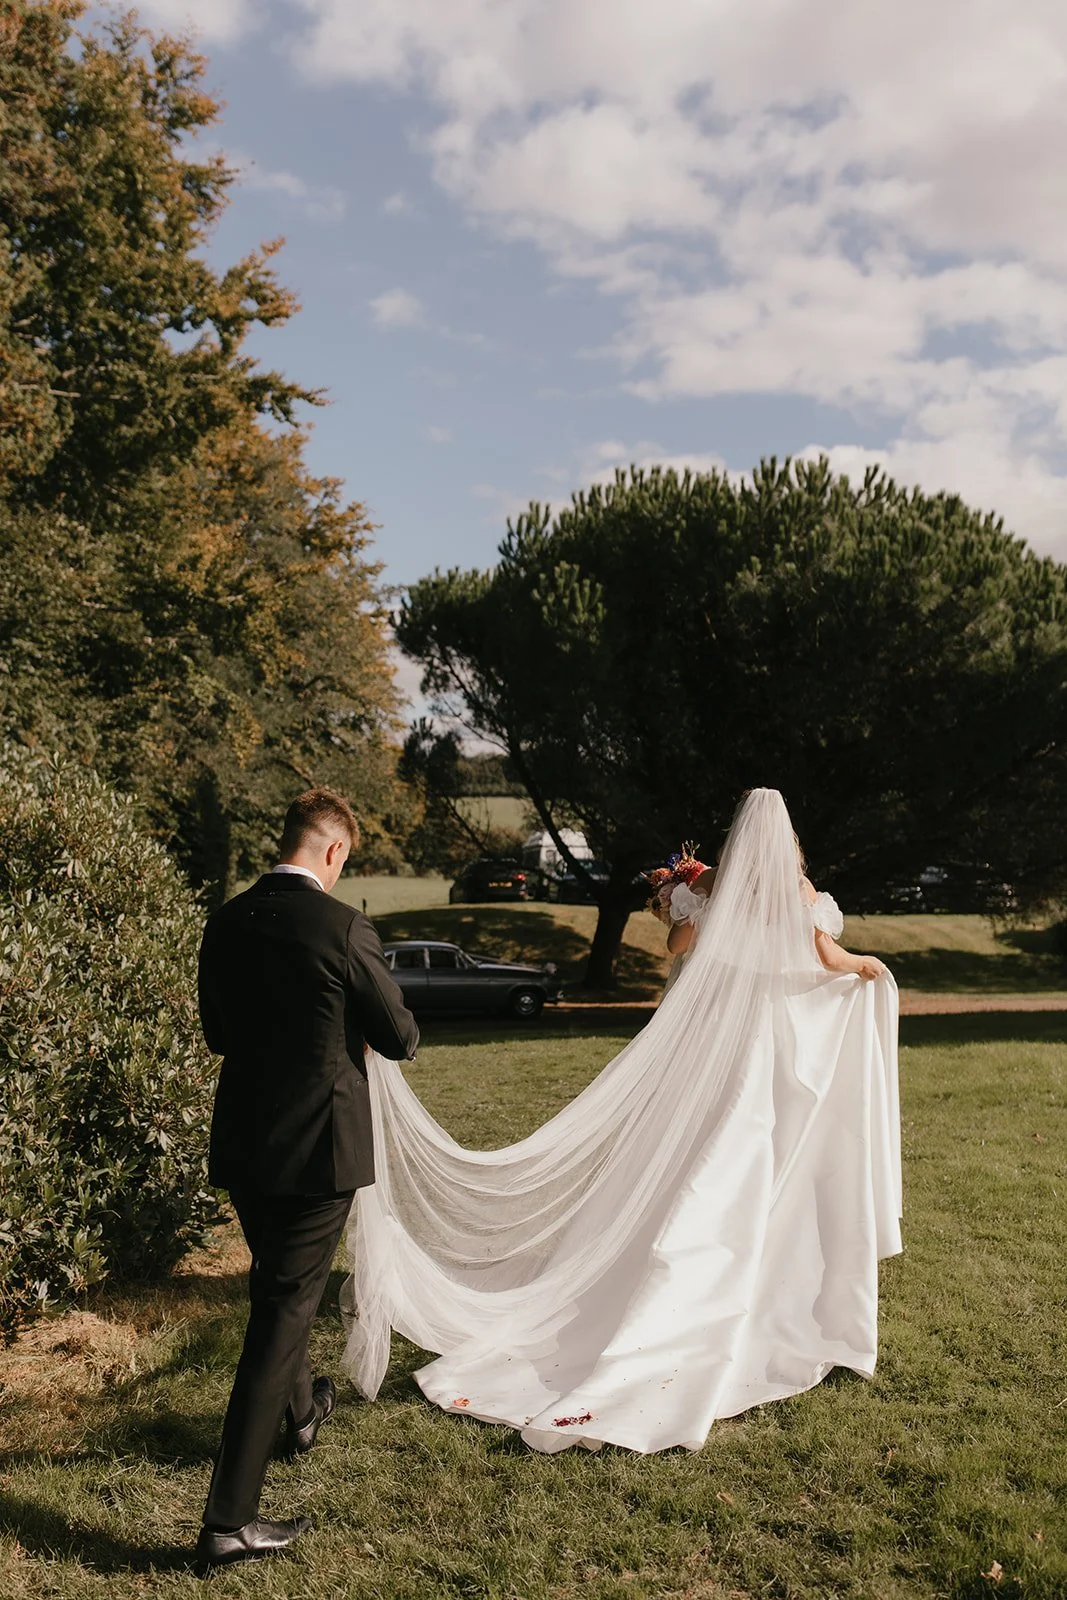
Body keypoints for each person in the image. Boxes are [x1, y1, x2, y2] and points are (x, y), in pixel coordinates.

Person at [340, 788, 901, 1454]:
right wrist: (870, 967)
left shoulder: (716, 887)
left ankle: (678, 1268)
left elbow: (675, 947)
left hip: (713, 1040)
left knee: (697, 1151)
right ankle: (748, 1287)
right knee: (752, 1156)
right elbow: (828, 961)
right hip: (771, 1044)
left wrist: (683, 904)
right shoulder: (800, 893)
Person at [194, 789, 418, 1573]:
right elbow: (400, 1036)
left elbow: (218, 1033)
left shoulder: (224, 922)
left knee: (278, 1290)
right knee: (280, 1315)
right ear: (334, 853)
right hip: (319, 1154)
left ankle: (300, 1414)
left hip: (246, 1146)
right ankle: (228, 1524)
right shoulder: (343, 928)